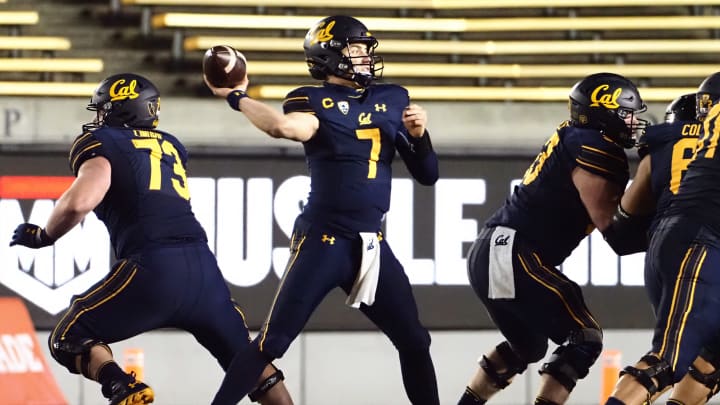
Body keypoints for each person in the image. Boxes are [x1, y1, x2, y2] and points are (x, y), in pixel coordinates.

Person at [8, 73, 294, 405]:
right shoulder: (171, 144)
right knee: (248, 362)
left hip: (154, 266)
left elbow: (79, 202)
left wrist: (44, 236)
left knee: (68, 336)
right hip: (204, 270)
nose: (98, 117)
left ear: (118, 110)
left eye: (103, 110)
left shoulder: (103, 142)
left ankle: (121, 386)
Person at [204, 15, 440, 405]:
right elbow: (282, 127)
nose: (365, 56)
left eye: (366, 49)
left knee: (415, 339)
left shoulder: (393, 97)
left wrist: (420, 136)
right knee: (272, 341)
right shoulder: (312, 100)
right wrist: (236, 96)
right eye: (355, 48)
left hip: (371, 243)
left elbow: (428, 174)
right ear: (329, 56)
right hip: (324, 239)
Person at [459, 72, 648, 405]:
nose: (633, 122)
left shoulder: (575, 135)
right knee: (584, 336)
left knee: (528, 346)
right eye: (626, 113)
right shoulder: (596, 145)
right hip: (514, 251)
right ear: (605, 112)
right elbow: (615, 233)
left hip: (494, 249)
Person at [603, 72, 720, 405]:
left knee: (710, 362)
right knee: (668, 360)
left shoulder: (666, 141)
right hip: (702, 247)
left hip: (677, 242)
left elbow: (622, 233)